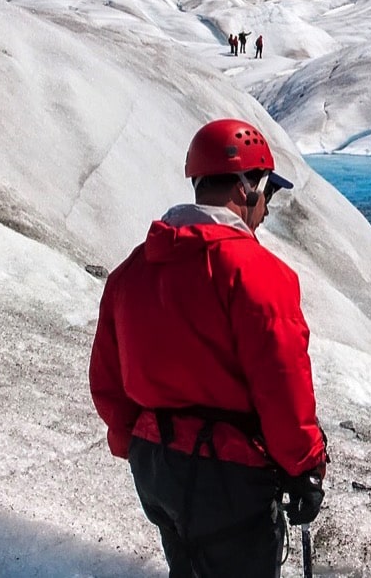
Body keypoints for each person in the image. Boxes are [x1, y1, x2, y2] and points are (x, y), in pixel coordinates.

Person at [90, 118, 327, 578]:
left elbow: (107, 379)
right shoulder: (258, 274)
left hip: (157, 469)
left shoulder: (132, 271)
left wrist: (134, 441)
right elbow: (283, 384)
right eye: (267, 195)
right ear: (247, 188)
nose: (265, 210)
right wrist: (305, 466)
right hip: (229, 480)